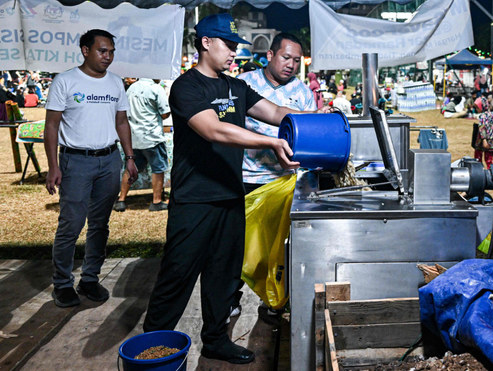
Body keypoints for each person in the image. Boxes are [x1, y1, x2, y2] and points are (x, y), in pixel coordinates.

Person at [142, 14, 318, 364]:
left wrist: (322, 124)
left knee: (223, 276)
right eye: (228, 45)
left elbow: (276, 110)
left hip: (230, 198)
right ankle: (152, 349)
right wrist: (270, 143)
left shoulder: (235, 87)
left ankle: (215, 339)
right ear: (206, 42)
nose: (233, 53)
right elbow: (214, 130)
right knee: (177, 275)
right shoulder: (186, 87)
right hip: (194, 201)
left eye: (236, 46)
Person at [44, 29, 138, 308]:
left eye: (111, 52)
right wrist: (52, 167)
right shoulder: (66, 81)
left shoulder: (115, 83)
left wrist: (129, 157)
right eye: (102, 51)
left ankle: (90, 279)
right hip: (76, 161)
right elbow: (51, 125)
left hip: (109, 160)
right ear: (85, 50)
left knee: (100, 224)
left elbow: (122, 122)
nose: (108, 57)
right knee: (71, 224)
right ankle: (62, 284)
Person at [239, 32, 327, 193]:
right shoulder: (244, 82)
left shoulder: (303, 92)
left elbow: (310, 135)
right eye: (285, 57)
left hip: (286, 180)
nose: (291, 65)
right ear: (270, 55)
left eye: (296, 60)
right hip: (247, 178)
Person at [113, 78, 171, 212]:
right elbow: (164, 113)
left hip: (133, 137)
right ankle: (156, 201)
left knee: (131, 168)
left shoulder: (131, 88)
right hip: (152, 137)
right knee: (158, 168)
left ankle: (121, 200)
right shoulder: (156, 89)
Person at [473, 97, 493, 169]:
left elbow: (482, 128)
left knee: (478, 158)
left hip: (482, 140)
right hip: (492, 140)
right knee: (489, 160)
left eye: (477, 107)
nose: (476, 110)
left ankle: (479, 172)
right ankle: (490, 172)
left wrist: (484, 140)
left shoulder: (482, 116)